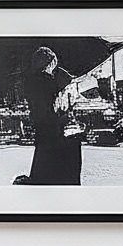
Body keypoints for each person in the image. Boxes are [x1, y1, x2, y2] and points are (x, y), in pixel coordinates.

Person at [15, 45, 83, 186]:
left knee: (44, 167)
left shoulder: (34, 81)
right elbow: (52, 108)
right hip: (55, 133)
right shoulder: (45, 81)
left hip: (46, 132)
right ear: (50, 63)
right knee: (62, 172)